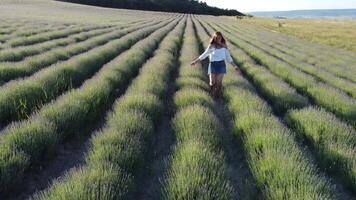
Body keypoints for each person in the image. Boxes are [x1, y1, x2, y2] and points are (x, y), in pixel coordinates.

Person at [191, 31, 240, 98]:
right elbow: (204, 54)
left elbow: (228, 57)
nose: (218, 39)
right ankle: (212, 94)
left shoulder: (224, 47)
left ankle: (217, 96)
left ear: (221, 38)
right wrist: (195, 61)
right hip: (212, 65)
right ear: (214, 38)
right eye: (217, 38)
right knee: (212, 82)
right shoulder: (211, 46)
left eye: (220, 38)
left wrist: (235, 66)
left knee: (218, 83)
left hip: (221, 65)